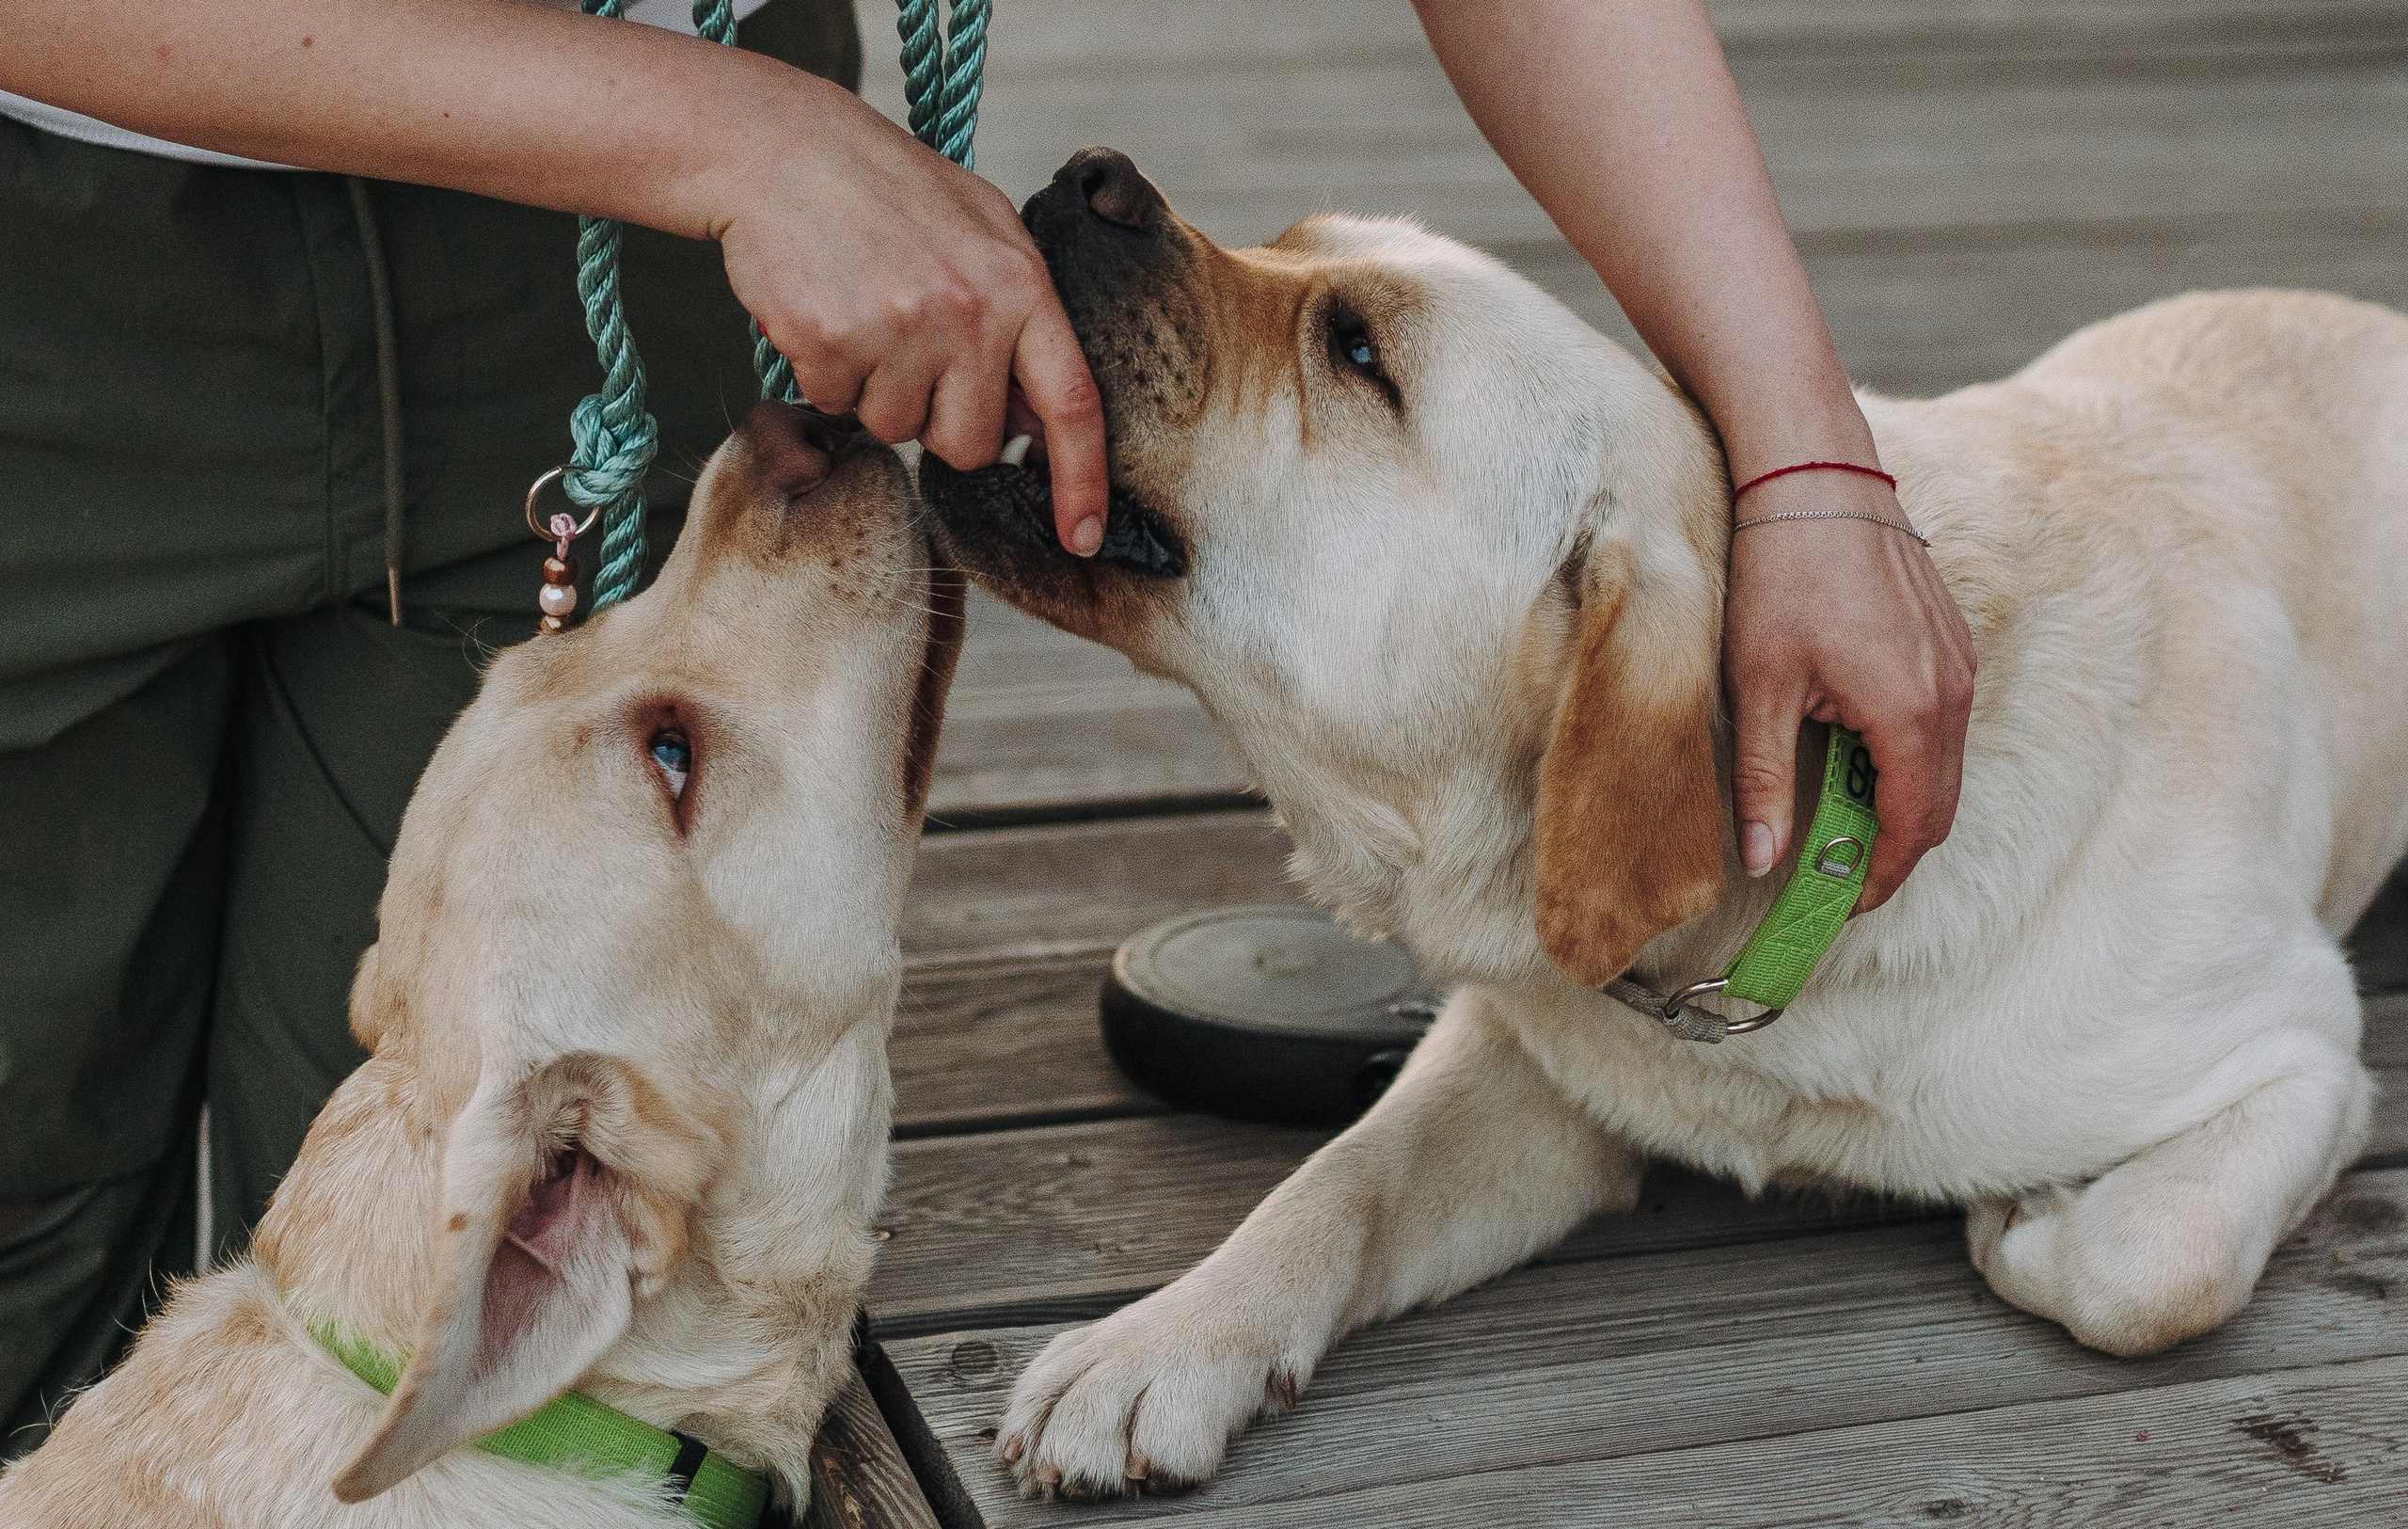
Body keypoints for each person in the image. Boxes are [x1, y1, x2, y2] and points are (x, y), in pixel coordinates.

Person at [0, 0, 1973, 1450]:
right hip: (69, 225)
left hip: (590, 256)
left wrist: (1806, 461)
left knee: (473, 1346)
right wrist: (737, 142)